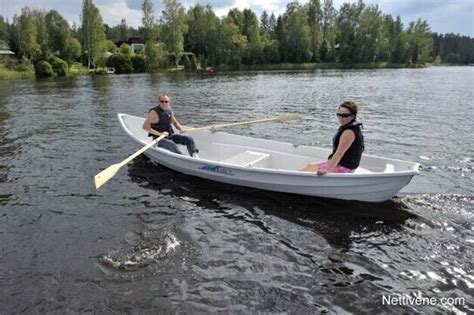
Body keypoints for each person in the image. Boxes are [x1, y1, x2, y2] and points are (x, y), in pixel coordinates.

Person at [301, 101, 364, 176]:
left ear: (352, 116)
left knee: (310, 167)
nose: (341, 118)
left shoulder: (349, 132)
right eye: (339, 115)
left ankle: (294, 182)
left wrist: (327, 170)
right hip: (344, 165)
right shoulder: (350, 127)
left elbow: (339, 154)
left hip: (345, 168)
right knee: (310, 166)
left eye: (345, 115)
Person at [142, 93, 199, 158]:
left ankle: (195, 156)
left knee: (189, 139)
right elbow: (145, 127)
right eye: (162, 101)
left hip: (170, 136)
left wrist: (180, 128)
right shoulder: (154, 112)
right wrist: (160, 134)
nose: (164, 103)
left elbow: (175, 123)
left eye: (166, 101)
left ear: (169, 102)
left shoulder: (169, 111)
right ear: (159, 102)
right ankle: (182, 158)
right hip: (158, 140)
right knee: (171, 144)